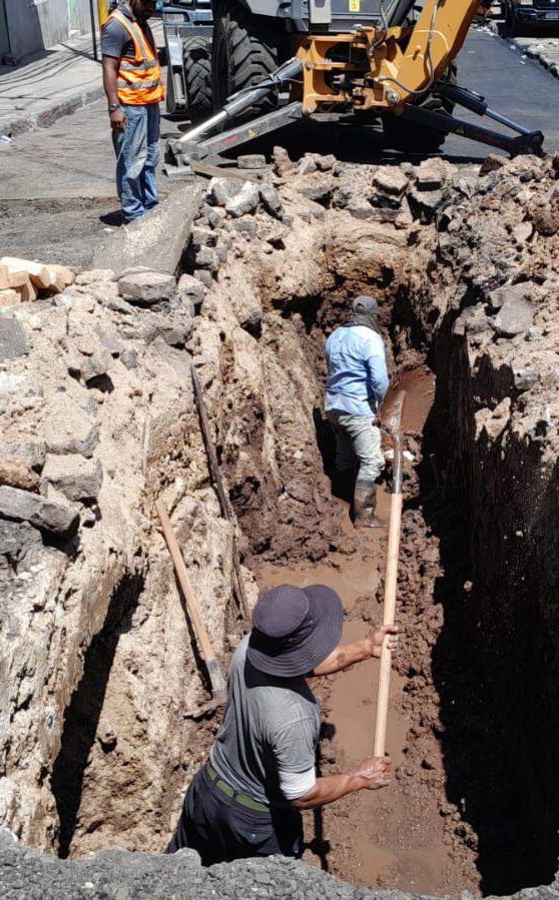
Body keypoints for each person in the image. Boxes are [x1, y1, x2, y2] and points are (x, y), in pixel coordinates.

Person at [167, 584, 397, 864]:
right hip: (252, 824)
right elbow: (301, 795)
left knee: (176, 872)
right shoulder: (293, 717)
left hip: (207, 793)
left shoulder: (250, 646)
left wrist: (364, 648)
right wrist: (358, 779)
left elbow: (299, 661)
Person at [324, 296, 390, 528]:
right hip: (358, 408)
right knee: (372, 461)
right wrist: (382, 406)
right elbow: (380, 380)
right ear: (373, 315)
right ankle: (364, 516)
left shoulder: (335, 336)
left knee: (345, 454)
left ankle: (340, 501)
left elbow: (330, 367)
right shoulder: (370, 339)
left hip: (333, 407)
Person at [101, 0, 164, 223]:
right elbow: (109, 67)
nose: (152, 8)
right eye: (147, 2)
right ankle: (134, 212)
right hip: (130, 106)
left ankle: (151, 205)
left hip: (149, 103)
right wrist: (114, 107)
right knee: (131, 162)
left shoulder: (140, 20)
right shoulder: (117, 26)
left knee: (150, 159)